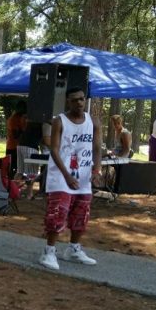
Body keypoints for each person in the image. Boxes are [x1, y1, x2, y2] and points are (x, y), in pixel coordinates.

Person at [38, 87, 101, 270]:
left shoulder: (93, 121)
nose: (79, 103)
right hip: (61, 174)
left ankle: (73, 249)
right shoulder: (60, 121)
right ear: (68, 102)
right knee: (58, 212)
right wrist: (66, 175)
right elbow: (54, 149)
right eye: (74, 100)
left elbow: (97, 148)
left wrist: (96, 171)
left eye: (82, 99)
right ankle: (49, 251)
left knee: (81, 213)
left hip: (83, 175)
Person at [6, 101, 28, 176]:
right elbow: (15, 135)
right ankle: (10, 185)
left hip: (18, 147)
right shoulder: (13, 119)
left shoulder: (21, 118)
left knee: (19, 169)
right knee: (12, 168)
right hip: (13, 148)